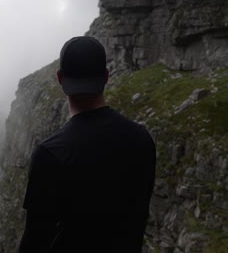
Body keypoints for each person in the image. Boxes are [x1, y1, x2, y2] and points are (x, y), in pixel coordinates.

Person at [18, 36, 156, 253]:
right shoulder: (142, 139)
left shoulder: (50, 154)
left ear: (60, 78)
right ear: (107, 76)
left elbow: (35, 240)